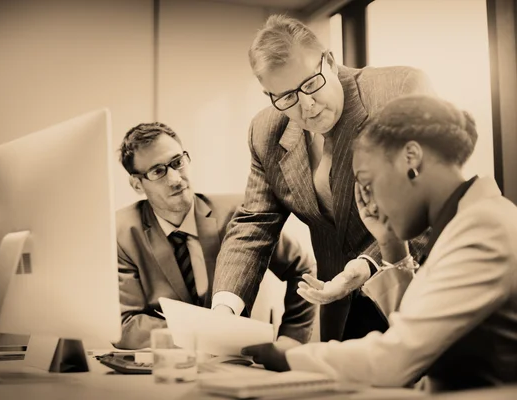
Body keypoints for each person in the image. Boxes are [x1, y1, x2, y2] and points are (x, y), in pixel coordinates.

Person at [241, 94, 517, 391]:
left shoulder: (483, 227)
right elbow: (418, 332)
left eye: (368, 183)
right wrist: (390, 244)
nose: (369, 205)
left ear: (411, 158)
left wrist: (291, 355)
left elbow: (397, 361)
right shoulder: (467, 221)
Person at [212, 14, 436, 342]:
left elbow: (428, 199)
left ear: (329, 61)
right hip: (340, 306)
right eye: (286, 97)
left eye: (310, 83)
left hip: (422, 289)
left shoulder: (397, 92)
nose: (307, 105)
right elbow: (254, 223)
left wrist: (366, 265)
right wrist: (224, 309)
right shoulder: (265, 132)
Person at [113, 122, 317, 349]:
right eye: (158, 171)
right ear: (137, 184)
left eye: (177, 163)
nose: (175, 179)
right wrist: (204, 332)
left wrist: (292, 338)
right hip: (167, 365)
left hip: (238, 362)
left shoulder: (240, 215)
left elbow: (303, 269)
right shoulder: (122, 233)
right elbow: (125, 325)